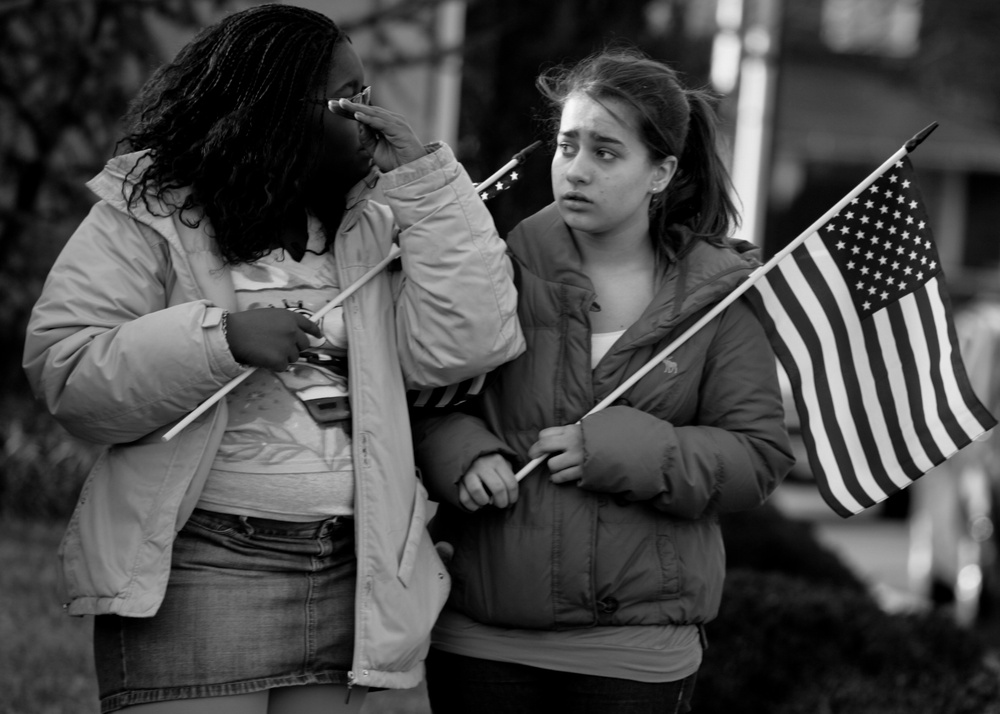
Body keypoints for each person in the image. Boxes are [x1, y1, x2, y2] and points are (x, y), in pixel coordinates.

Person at [22, 5, 523, 714]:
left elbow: (466, 346)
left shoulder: (376, 216)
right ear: (272, 110)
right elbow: (69, 371)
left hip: (348, 567)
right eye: (345, 99)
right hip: (201, 564)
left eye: (367, 95)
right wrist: (220, 339)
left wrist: (428, 183)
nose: (364, 114)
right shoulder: (154, 210)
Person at [413, 48, 795, 714]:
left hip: (636, 656)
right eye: (568, 147)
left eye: (606, 153)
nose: (577, 171)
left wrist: (622, 451)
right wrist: (463, 457)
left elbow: (756, 458)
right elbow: (428, 400)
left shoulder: (715, 299)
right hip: (482, 641)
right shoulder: (499, 268)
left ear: (662, 172)